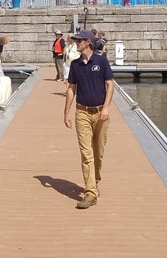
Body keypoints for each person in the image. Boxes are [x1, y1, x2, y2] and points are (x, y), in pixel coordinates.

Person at [64, 29, 115, 209]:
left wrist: (107, 108)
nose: (76, 43)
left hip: (101, 113)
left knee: (98, 154)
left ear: (87, 42)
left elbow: (109, 85)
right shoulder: (76, 65)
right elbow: (71, 89)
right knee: (86, 154)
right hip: (82, 113)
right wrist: (66, 113)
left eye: (79, 41)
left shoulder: (101, 61)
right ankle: (90, 193)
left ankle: (95, 181)